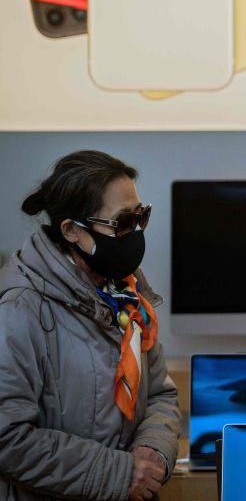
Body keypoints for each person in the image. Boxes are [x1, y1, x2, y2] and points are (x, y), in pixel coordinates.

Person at [0, 150, 181, 501]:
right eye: (123, 222)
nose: (135, 233)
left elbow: (160, 393)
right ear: (72, 231)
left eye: (141, 217)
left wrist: (153, 451)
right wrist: (121, 474)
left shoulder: (128, 295)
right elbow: (8, 438)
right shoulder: (20, 308)